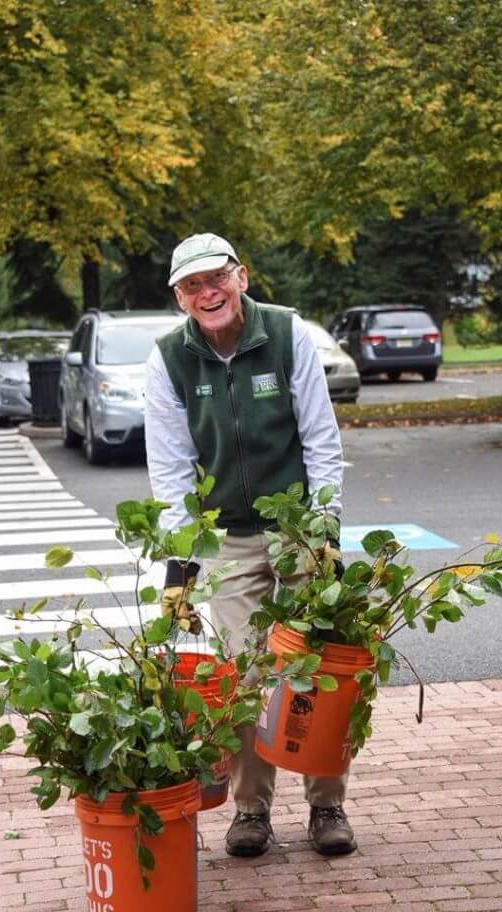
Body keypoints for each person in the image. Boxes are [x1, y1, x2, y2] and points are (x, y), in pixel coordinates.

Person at [145, 232, 356, 858]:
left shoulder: (288, 335)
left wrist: (325, 534)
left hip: (296, 528)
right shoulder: (169, 360)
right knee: (244, 675)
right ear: (181, 298)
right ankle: (251, 811)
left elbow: (321, 441)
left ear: (240, 276)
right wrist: (178, 567)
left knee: (312, 665)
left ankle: (327, 804)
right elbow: (171, 470)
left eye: (216, 279)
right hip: (229, 539)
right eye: (192, 286)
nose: (207, 293)